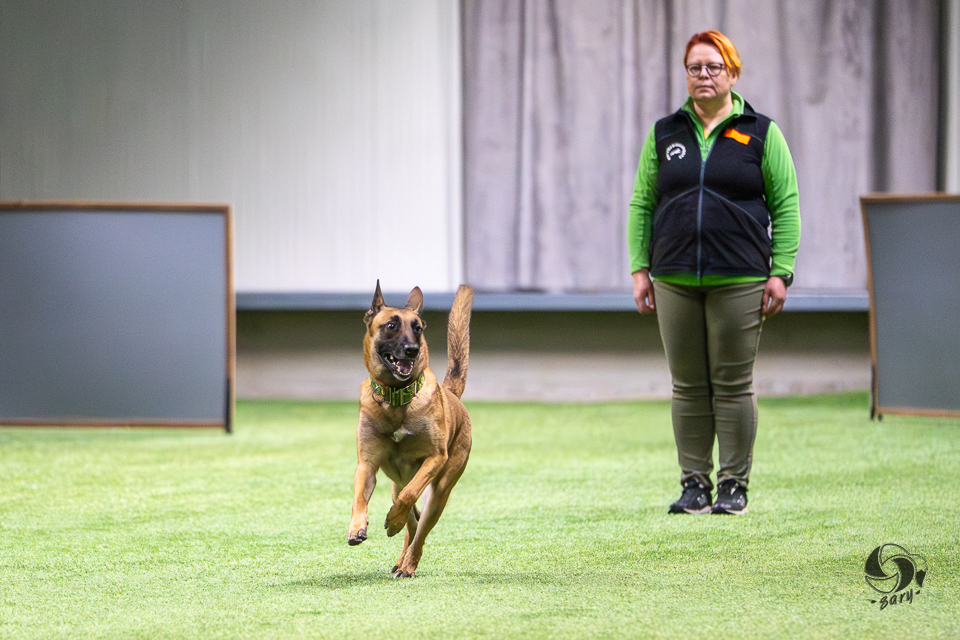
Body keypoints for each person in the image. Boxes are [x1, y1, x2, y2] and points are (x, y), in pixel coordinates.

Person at [627, 30, 800, 515]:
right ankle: (694, 486)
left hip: (741, 277)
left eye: (713, 67)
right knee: (687, 385)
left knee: (732, 383)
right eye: (694, 68)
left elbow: (785, 205)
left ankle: (733, 486)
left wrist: (780, 271)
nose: (703, 75)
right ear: (686, 75)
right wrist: (641, 268)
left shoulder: (761, 132)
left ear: (733, 73)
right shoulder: (665, 133)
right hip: (674, 276)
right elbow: (643, 202)